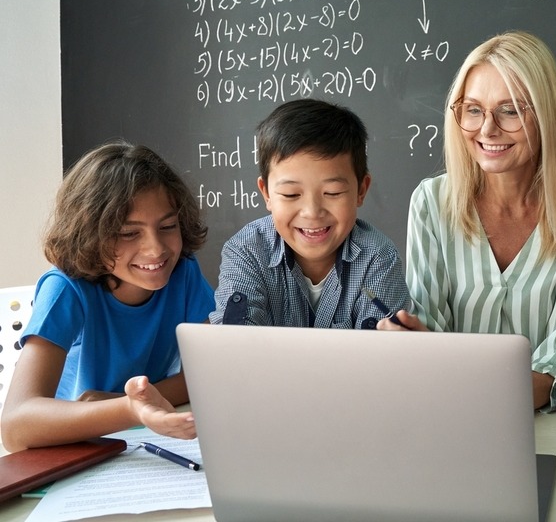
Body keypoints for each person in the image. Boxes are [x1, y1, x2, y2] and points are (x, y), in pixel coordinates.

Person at [392, 30, 556, 410]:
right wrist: (412, 342)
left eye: (509, 110)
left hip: (548, 431)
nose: (487, 129)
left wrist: (446, 375)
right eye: (473, 109)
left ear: (547, 116)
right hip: (447, 420)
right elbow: (428, 345)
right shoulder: (432, 203)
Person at [1, 141, 214, 451]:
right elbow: (15, 427)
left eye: (168, 225)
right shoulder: (65, 288)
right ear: (89, 233)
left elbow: (206, 377)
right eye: (129, 233)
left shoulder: (183, 272)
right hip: (70, 445)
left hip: (140, 436)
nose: (156, 249)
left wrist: (135, 402)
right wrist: (128, 408)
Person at [209, 99, 409, 329]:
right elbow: (234, 346)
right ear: (267, 194)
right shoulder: (246, 251)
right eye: (291, 194)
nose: (312, 212)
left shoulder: (378, 258)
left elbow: (381, 354)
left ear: (361, 190)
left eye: (332, 192)